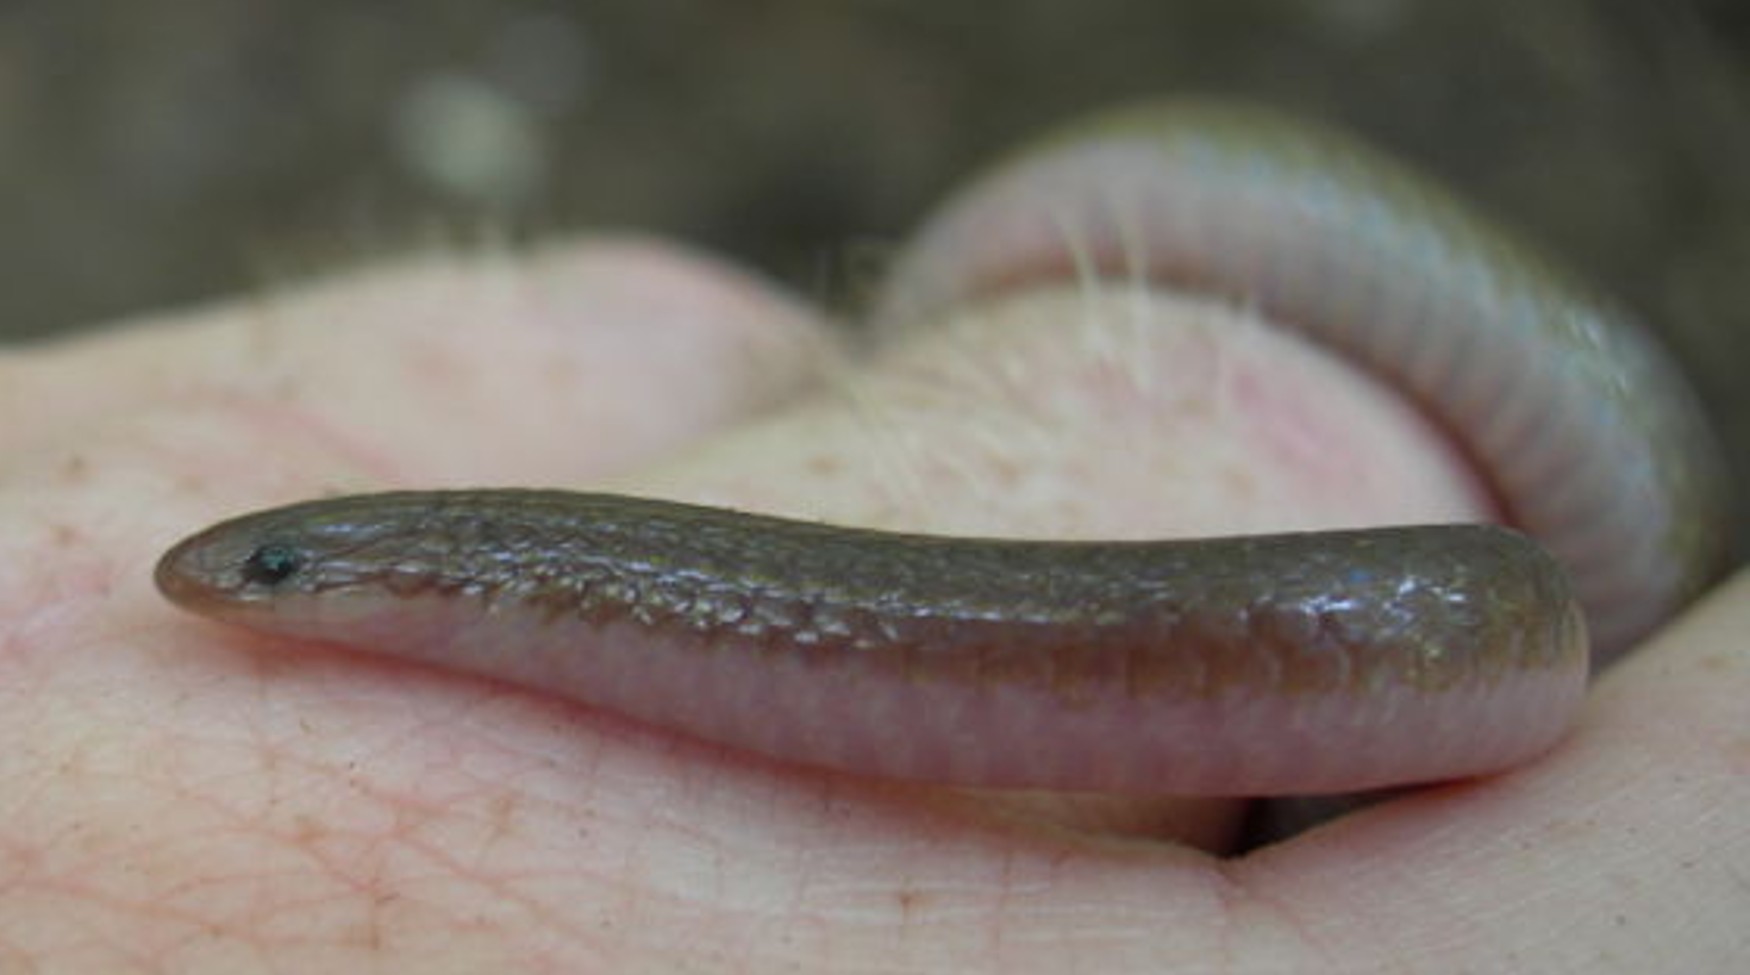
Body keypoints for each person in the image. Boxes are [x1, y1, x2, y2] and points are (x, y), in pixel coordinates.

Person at [2, 235, 1744, 971]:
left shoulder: (545, 562)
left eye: (286, 570)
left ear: (422, 566)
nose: (231, 596)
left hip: (1465, 602)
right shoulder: (533, 590)